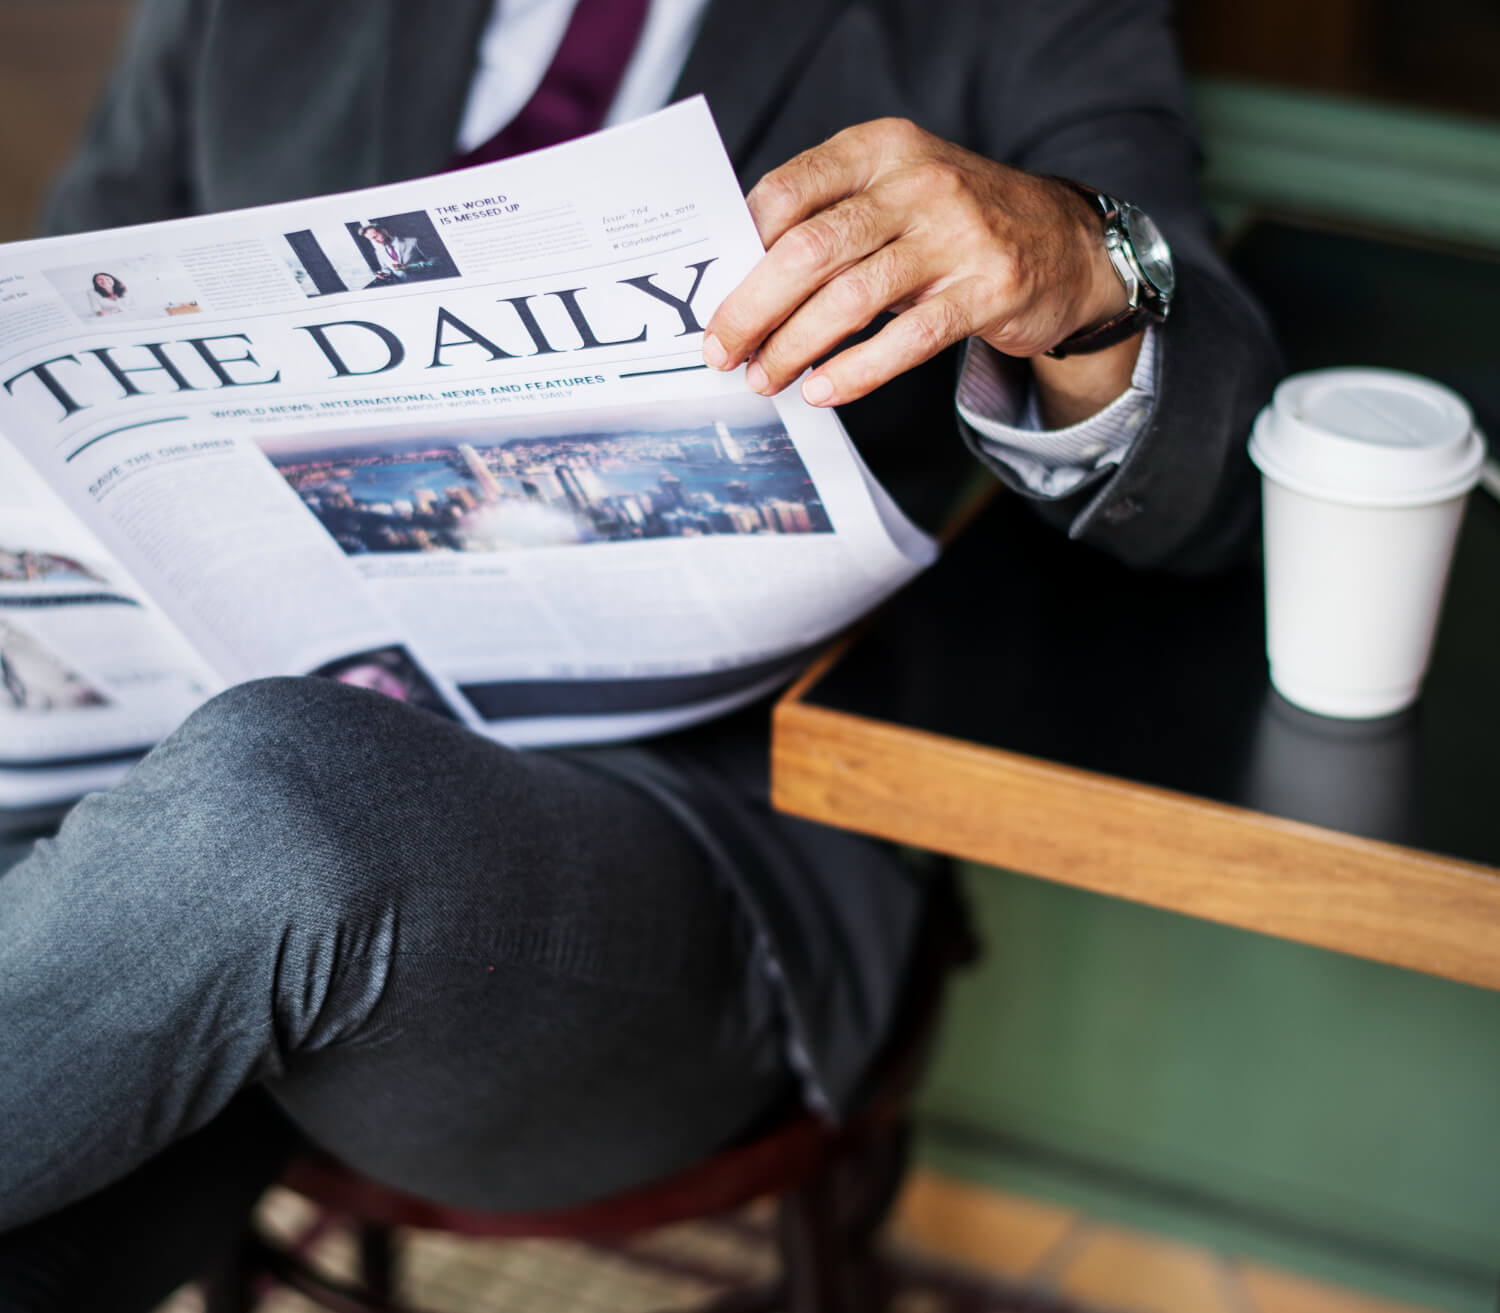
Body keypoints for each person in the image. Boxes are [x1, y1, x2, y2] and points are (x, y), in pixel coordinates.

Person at [3, 0, 1280, 1306]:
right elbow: (58, 330)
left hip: (669, 861)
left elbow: (1221, 477)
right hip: (157, 800)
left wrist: (1085, 263)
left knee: (259, 814)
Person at [356, 222, 437, 282]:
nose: (375, 241)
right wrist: (384, 274)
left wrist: (409, 267)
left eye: (375, 236)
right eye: (372, 239)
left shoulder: (414, 242)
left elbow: (435, 262)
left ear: (384, 231)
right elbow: (386, 268)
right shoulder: (379, 251)